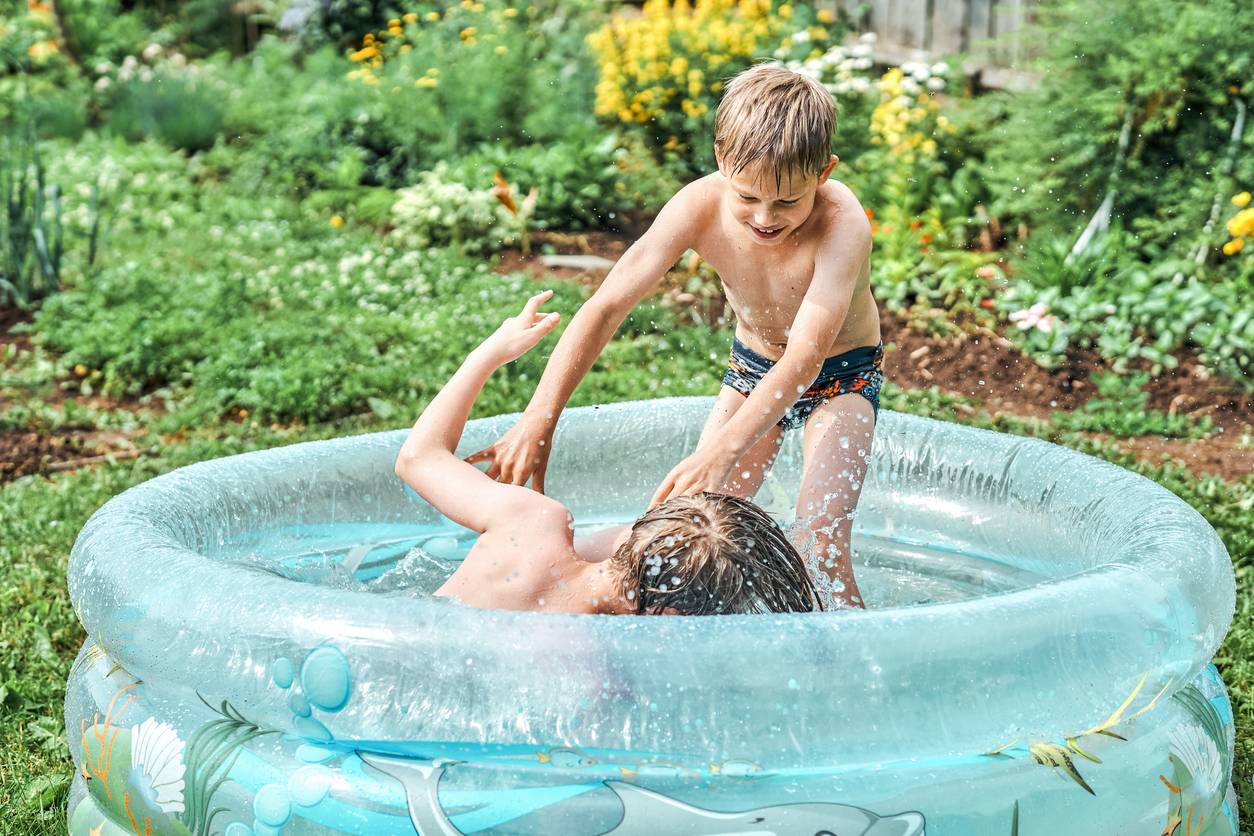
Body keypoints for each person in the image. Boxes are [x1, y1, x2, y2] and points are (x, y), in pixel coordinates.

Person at [469, 64, 882, 609]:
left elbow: (805, 358)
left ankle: (846, 672)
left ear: (824, 172)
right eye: (748, 196)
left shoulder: (842, 221)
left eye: (788, 202)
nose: (765, 216)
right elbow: (606, 305)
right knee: (680, 542)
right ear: (720, 159)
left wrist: (721, 449)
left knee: (819, 545)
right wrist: (539, 419)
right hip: (753, 368)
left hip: (839, 377)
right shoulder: (699, 205)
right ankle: (562, 580)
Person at [394, 290, 822, 616]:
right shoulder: (591, 664)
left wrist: (491, 353)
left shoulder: (531, 525)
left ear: (632, 537)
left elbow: (417, 457)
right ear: (669, 617)